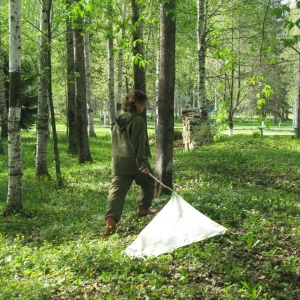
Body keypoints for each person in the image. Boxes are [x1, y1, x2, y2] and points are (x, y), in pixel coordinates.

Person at [105, 90, 157, 235]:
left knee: (117, 191)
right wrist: (142, 163)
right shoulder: (137, 120)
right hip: (134, 162)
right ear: (139, 103)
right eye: (144, 103)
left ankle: (111, 220)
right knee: (148, 182)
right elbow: (138, 143)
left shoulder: (119, 121)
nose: (144, 107)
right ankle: (143, 208)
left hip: (118, 162)